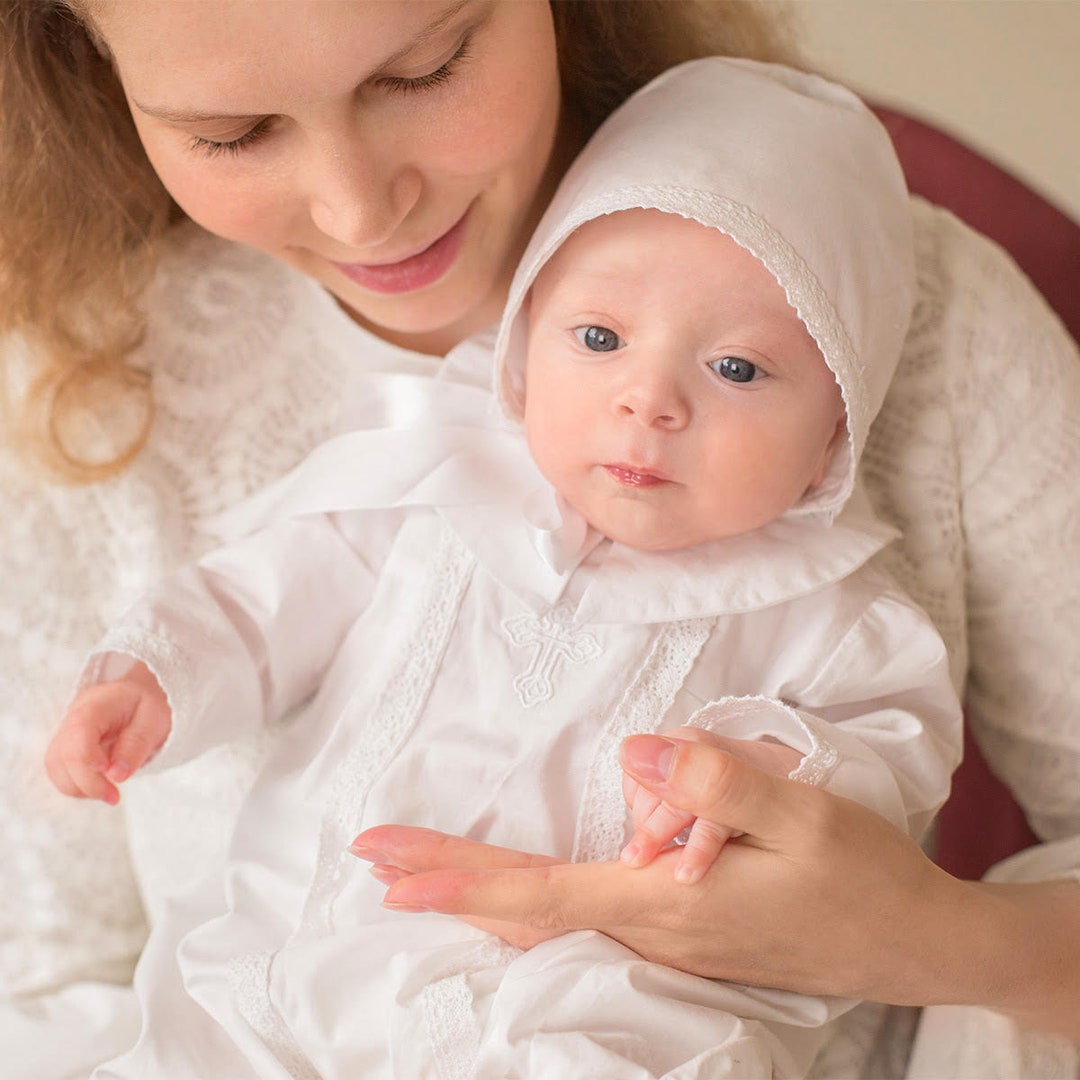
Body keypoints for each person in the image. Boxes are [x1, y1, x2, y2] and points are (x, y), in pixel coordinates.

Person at [0, 2, 1077, 1077]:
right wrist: (160, 674)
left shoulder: (893, 359)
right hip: (286, 1006)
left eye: (426, 69)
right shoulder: (125, 392)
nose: (362, 212)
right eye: (231, 133)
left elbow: (871, 724)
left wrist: (922, 932)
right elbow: (50, 970)